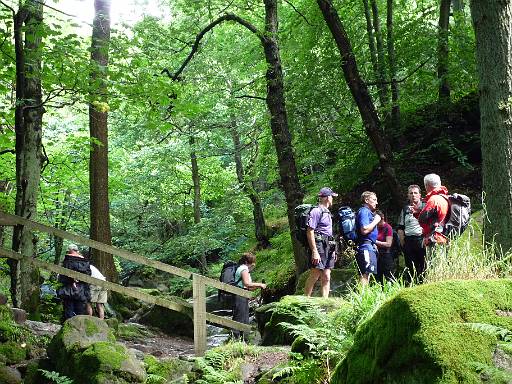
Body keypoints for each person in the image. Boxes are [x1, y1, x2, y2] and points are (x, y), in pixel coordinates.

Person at [304, 187, 338, 298]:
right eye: (332, 197)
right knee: (315, 273)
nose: (333, 199)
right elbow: (310, 231)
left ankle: (325, 301)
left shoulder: (327, 212)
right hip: (319, 244)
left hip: (328, 244)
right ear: (328, 197)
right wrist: (314, 251)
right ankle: (305, 299)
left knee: (327, 275)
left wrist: (333, 251)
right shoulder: (316, 211)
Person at [232, 252, 266, 340]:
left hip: (241, 294)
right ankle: (238, 340)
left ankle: (241, 339)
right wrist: (260, 285)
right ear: (247, 262)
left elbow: (247, 286)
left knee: (241, 316)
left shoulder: (242, 268)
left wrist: (256, 288)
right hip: (240, 295)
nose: (253, 264)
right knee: (240, 317)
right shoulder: (244, 268)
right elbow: (247, 284)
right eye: (252, 262)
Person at [397, 185, 427, 282]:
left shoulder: (425, 206)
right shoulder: (405, 209)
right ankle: (411, 286)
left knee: (424, 266)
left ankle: (424, 284)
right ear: (408, 196)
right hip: (408, 241)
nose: (413, 195)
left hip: (421, 239)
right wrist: (403, 243)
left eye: (415, 193)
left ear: (420, 195)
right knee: (410, 267)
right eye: (411, 193)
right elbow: (401, 227)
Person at [412, 174, 449, 248]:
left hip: (435, 239)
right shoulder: (445, 198)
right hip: (444, 237)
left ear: (427, 185)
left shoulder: (433, 199)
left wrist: (416, 213)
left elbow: (422, 219)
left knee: (433, 259)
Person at [57, 244, 91, 321]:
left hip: (68, 287)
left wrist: (72, 281)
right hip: (82, 288)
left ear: (70, 250)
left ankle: (68, 329)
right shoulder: (85, 261)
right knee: (80, 310)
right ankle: (79, 329)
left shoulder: (68, 260)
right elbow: (88, 274)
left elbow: (64, 275)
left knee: (68, 309)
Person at [355, 191, 381, 286]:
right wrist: (376, 220)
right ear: (366, 200)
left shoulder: (367, 212)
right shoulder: (364, 211)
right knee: (365, 273)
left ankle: (363, 295)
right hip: (365, 247)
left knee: (367, 273)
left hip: (369, 246)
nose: (376, 202)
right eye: (374, 200)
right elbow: (364, 230)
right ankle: (362, 297)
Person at [375, 210, 394, 283]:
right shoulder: (374, 227)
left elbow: (388, 244)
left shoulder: (388, 227)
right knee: (377, 276)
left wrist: (375, 242)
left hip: (386, 254)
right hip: (376, 255)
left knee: (388, 276)